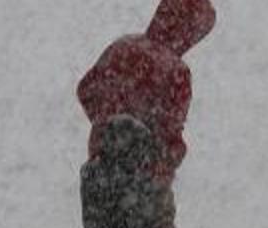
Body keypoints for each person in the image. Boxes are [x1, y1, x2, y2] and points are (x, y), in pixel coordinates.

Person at [77, 0, 217, 185]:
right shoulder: (176, 73)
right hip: (145, 178)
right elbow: (169, 133)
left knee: (99, 212)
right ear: (189, 32)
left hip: (101, 163)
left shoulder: (122, 47)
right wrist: (174, 154)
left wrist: (108, 124)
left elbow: (85, 89)